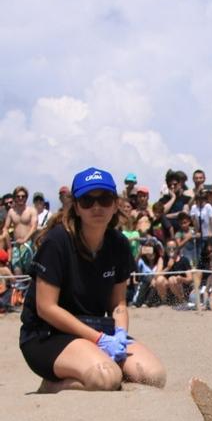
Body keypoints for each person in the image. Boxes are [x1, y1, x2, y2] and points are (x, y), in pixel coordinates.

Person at [18, 167, 166, 392]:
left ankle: (89, 368)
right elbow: (46, 308)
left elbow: (118, 304)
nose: (97, 207)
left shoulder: (118, 244)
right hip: (46, 334)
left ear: (115, 204)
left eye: (105, 199)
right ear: (76, 207)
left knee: (153, 376)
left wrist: (120, 335)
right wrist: (99, 340)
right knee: (106, 377)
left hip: (94, 330)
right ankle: (53, 385)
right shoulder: (57, 242)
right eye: (87, 200)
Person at [2, 185, 37, 276]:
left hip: (29, 244)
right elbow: (5, 228)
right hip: (16, 244)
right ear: (15, 198)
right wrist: (8, 244)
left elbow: (34, 227)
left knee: (29, 271)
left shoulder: (31, 210)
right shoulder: (11, 212)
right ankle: (19, 289)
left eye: (23, 196)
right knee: (17, 269)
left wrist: (25, 239)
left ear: (26, 197)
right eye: (18, 196)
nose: (20, 198)